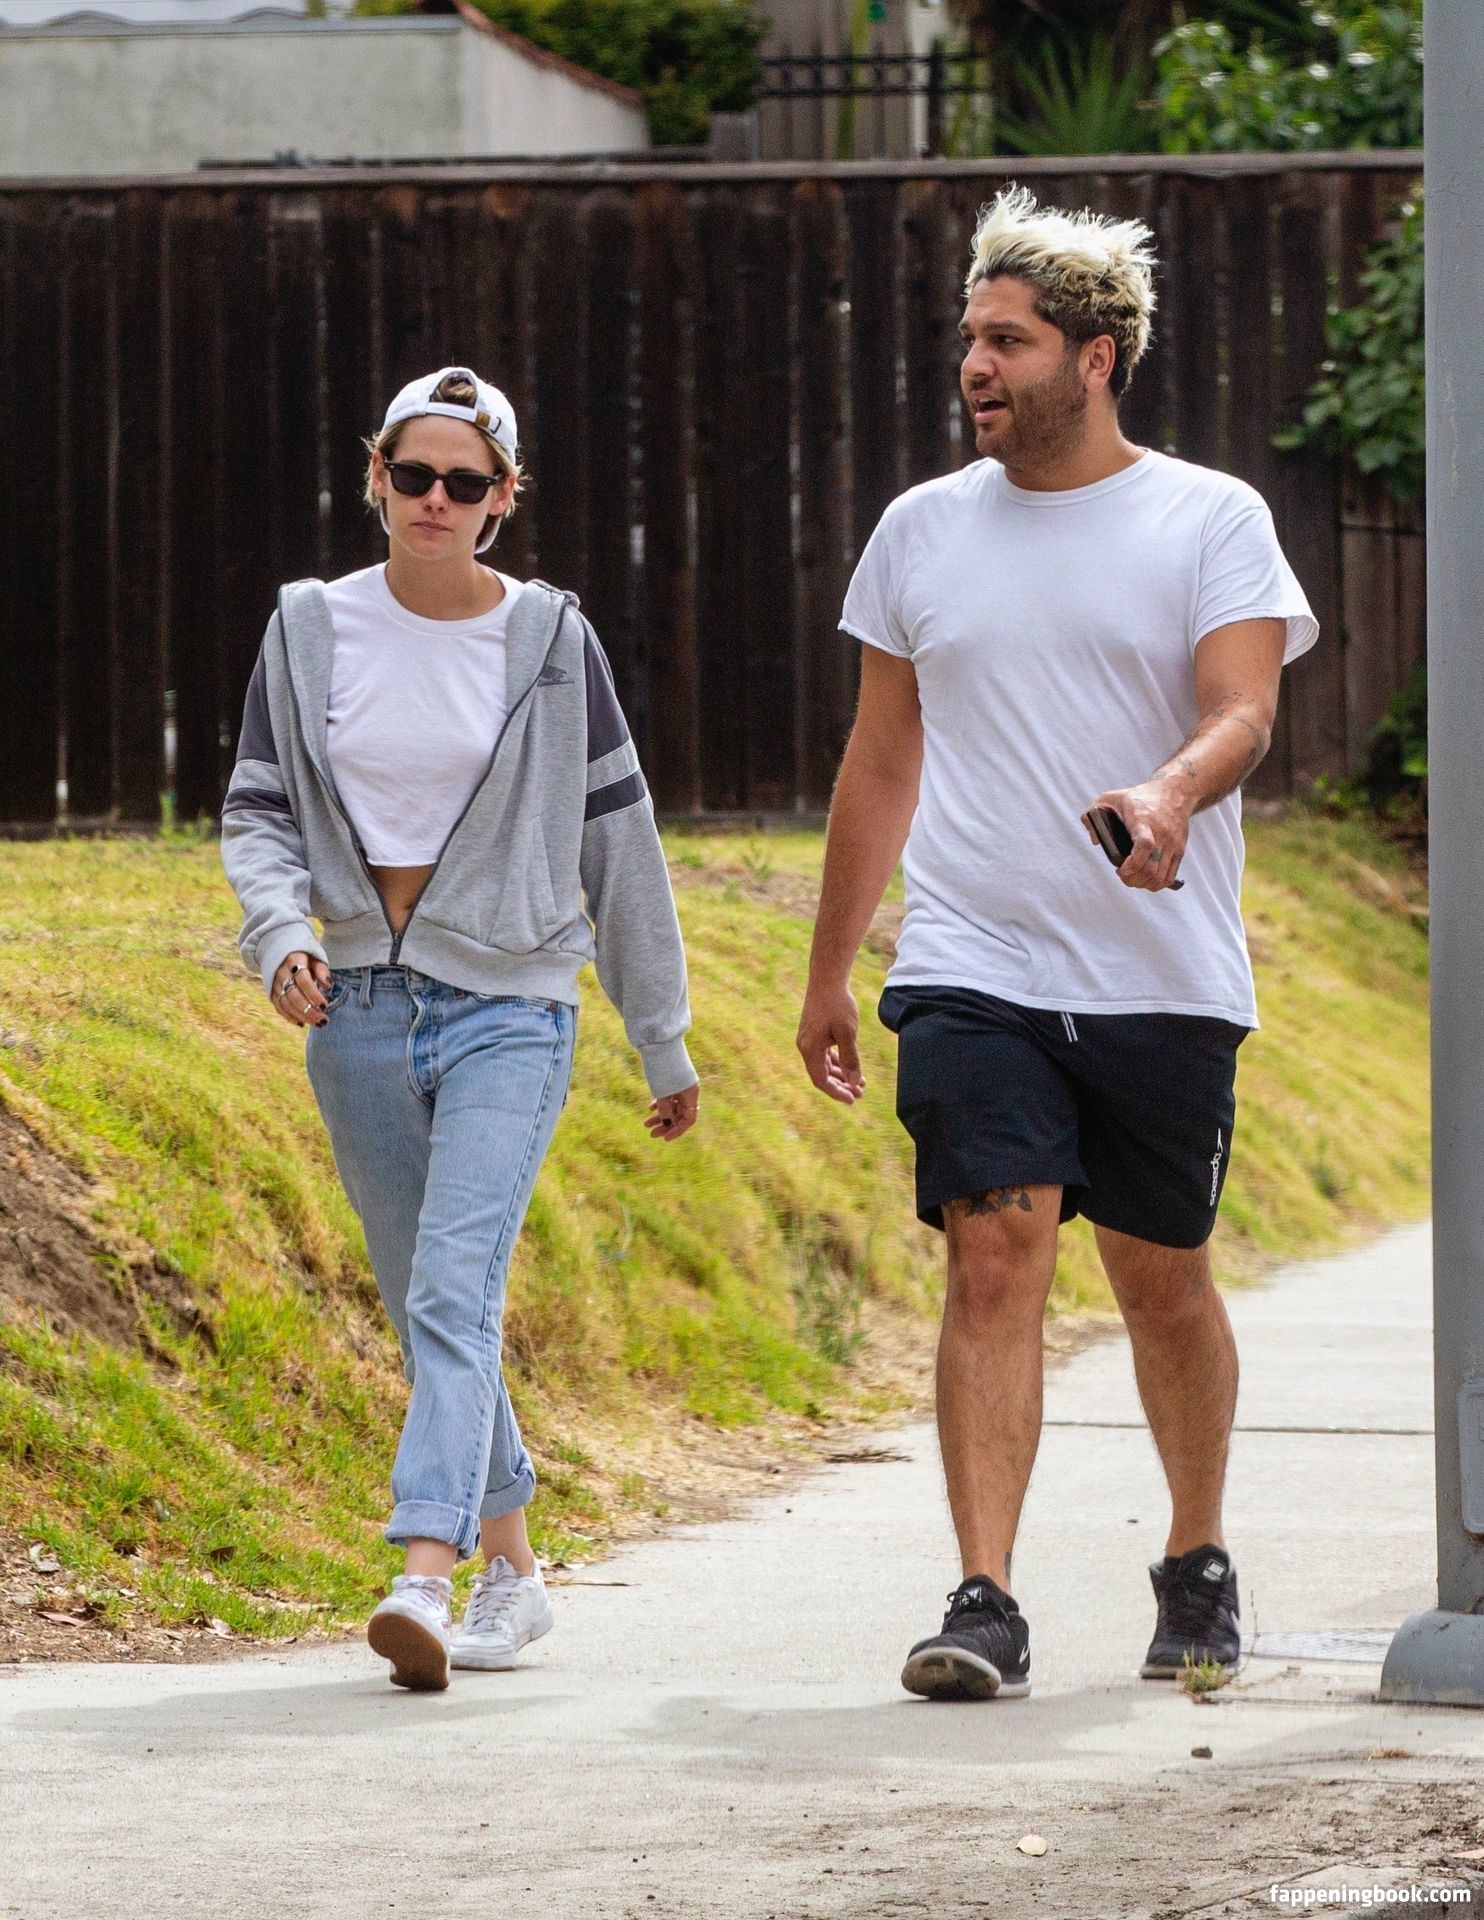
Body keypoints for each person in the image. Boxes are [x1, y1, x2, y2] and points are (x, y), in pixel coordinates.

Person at [797, 188, 1317, 1702]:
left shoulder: (1210, 517)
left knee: (1162, 1279)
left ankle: (1197, 1552)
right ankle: (986, 1598)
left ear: (1096, 359)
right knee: (995, 1254)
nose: (976, 363)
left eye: (1010, 341)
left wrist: (1169, 792)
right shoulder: (921, 530)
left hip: (1158, 969)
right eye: (970, 336)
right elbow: (880, 761)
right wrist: (832, 970)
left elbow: (1244, 707)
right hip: (975, 959)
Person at [220, 366, 699, 1691]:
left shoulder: (550, 641)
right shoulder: (308, 627)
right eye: (415, 474)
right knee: (431, 1300)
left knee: (451, 1286)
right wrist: (281, 931)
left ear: (503, 499)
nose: (437, 499)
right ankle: (518, 1575)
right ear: (376, 478)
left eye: (466, 482)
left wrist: (660, 1036)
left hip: (514, 1005)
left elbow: (619, 841)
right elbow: (259, 811)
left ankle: (422, 1575)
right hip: (355, 1006)